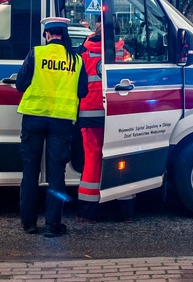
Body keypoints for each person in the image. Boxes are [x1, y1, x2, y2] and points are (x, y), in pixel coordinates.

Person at [16, 16, 88, 237]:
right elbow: (83, 92)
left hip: (34, 117)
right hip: (61, 121)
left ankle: (29, 223)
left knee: (30, 171)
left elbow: (20, 85)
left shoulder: (36, 54)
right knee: (57, 174)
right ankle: (52, 226)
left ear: (47, 35)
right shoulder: (76, 60)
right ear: (64, 35)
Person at [77, 22, 135, 222]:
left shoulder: (84, 53)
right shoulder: (122, 53)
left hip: (89, 111)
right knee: (121, 159)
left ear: (95, 33)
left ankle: (88, 212)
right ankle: (125, 211)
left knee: (92, 159)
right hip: (117, 111)